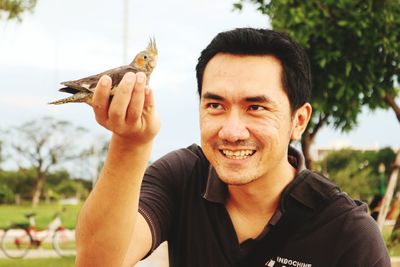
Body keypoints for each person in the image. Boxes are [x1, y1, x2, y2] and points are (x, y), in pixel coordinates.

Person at [75, 28, 390, 267]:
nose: (232, 131)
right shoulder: (181, 177)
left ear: (299, 120)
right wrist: (131, 143)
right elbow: (98, 260)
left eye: (256, 108)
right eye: (215, 105)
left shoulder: (348, 232)